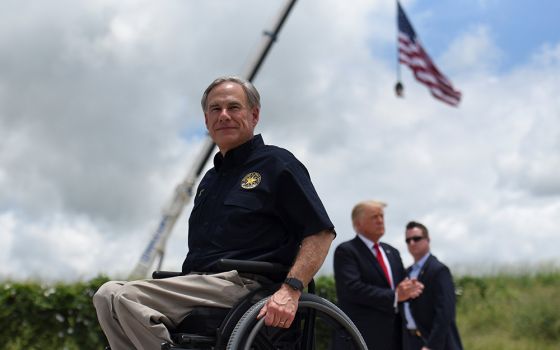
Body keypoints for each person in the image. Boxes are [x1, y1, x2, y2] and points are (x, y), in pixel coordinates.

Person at [93, 76, 336, 350]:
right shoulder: (209, 181)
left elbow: (321, 233)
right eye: (215, 109)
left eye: (234, 107)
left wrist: (291, 289)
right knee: (106, 294)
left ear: (254, 115)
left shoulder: (277, 163)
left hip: (245, 285)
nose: (224, 116)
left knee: (128, 298)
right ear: (206, 121)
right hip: (198, 284)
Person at [334, 201, 423, 350]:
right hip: (362, 338)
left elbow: (401, 288)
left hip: (396, 338)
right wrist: (394, 296)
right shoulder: (346, 251)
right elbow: (352, 289)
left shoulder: (392, 252)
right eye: (374, 217)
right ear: (358, 223)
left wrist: (410, 289)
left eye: (381, 216)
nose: (380, 220)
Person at [402, 221, 463, 350]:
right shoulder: (407, 273)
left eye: (416, 238)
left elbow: (445, 312)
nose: (412, 243)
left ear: (427, 240)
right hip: (411, 342)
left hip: (435, 343)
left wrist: (432, 346)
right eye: (408, 240)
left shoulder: (439, 270)